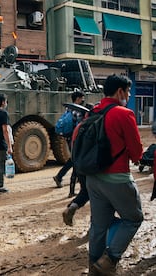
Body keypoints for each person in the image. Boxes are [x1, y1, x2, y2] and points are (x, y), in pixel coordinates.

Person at [84, 74, 143, 275]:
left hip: (92, 178)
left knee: (99, 225)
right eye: (127, 92)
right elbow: (137, 152)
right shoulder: (123, 114)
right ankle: (110, 259)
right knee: (134, 218)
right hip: (117, 178)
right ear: (120, 91)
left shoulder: (92, 112)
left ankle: (94, 265)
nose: (127, 95)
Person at [53, 90, 85, 198]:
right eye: (82, 98)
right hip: (74, 138)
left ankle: (60, 176)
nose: (83, 100)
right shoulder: (77, 110)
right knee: (75, 160)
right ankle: (62, 179)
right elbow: (79, 125)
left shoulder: (69, 109)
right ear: (78, 99)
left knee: (73, 158)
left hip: (68, 137)